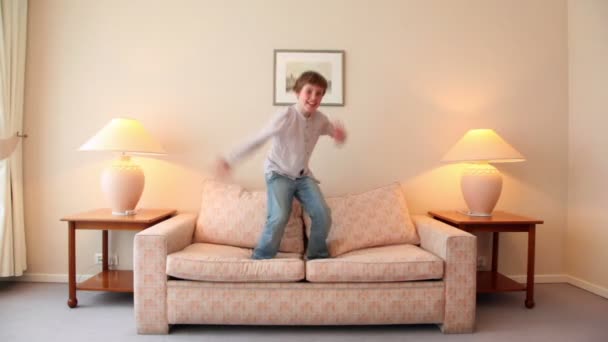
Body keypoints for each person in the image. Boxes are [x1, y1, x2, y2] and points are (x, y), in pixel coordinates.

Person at [216, 71, 347, 260]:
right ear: (298, 93)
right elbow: (259, 138)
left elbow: (332, 132)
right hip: (278, 173)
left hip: (302, 176)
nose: (313, 97)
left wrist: (339, 136)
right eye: (308, 92)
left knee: (323, 214)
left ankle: (316, 257)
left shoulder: (320, 119)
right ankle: (261, 258)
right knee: (279, 217)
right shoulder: (286, 115)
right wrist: (230, 159)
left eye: (319, 93)